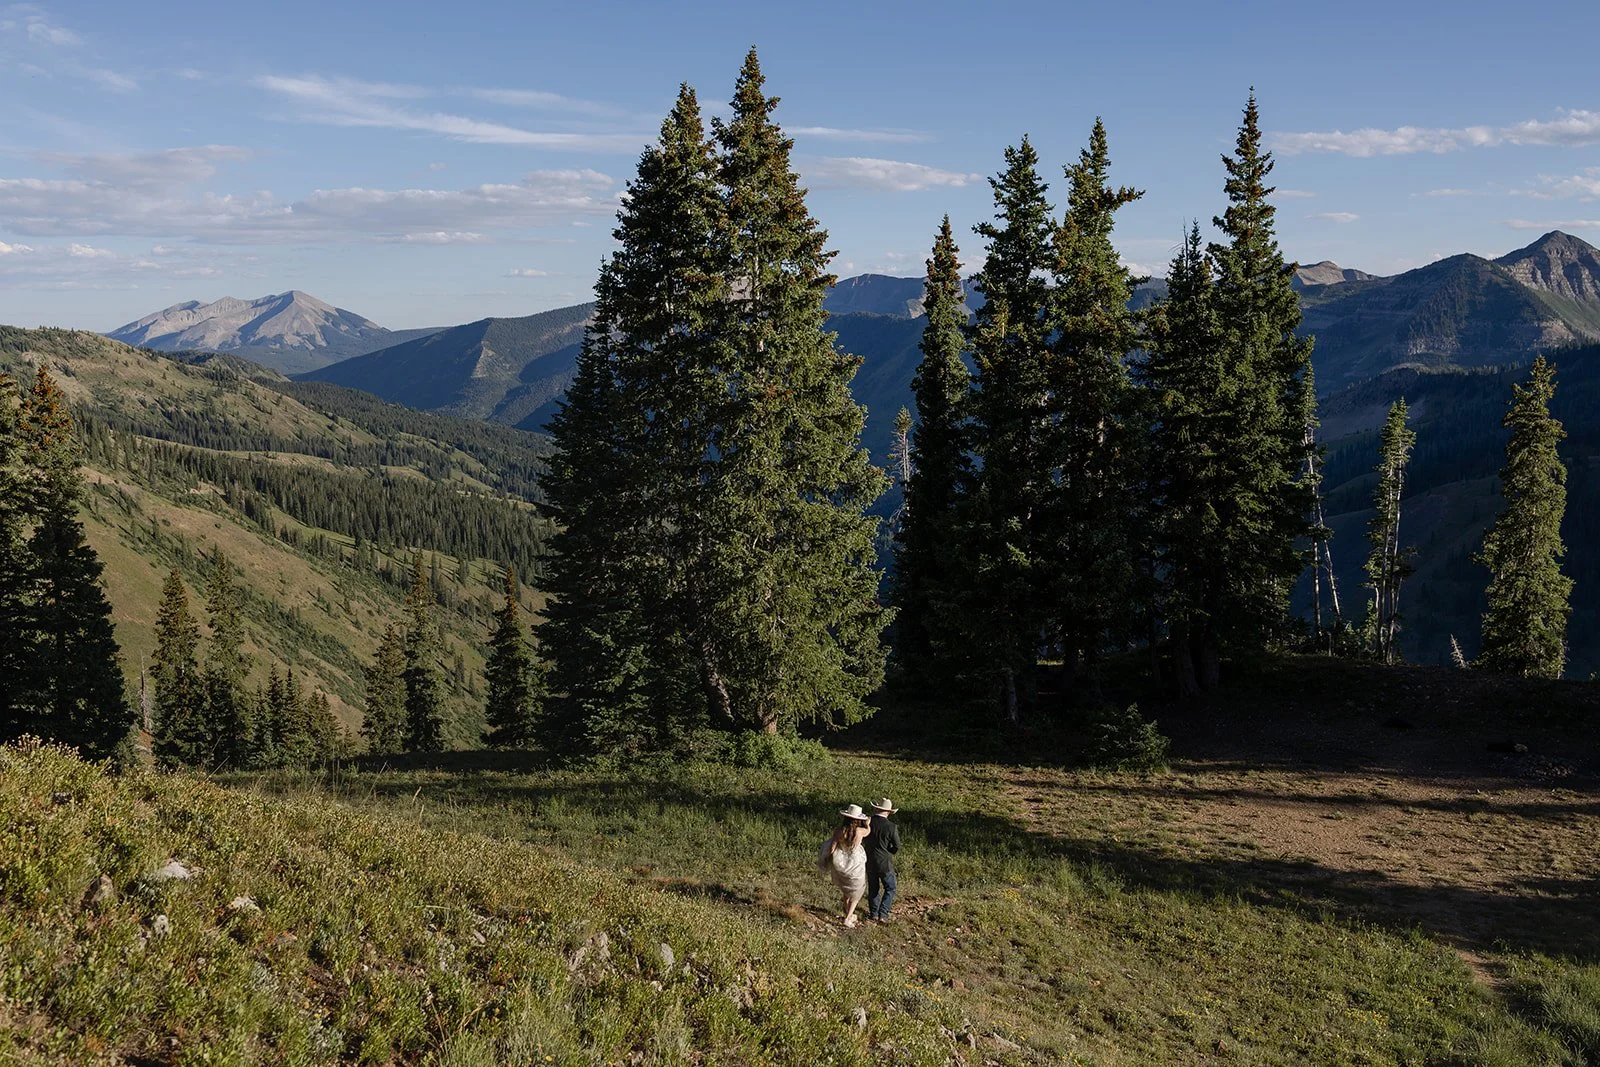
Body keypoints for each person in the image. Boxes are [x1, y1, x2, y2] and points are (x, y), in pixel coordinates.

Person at [819, 803, 872, 927]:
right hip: (855, 862)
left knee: (845, 888)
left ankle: (848, 913)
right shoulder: (860, 831)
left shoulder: (839, 831)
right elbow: (868, 831)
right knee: (857, 890)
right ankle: (848, 917)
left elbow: (832, 848)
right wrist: (867, 824)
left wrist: (826, 859)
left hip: (841, 861)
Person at [865, 797, 901, 922]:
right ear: (888, 812)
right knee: (890, 888)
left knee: (873, 888)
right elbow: (897, 846)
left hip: (869, 859)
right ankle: (883, 914)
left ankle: (874, 913)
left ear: (876, 808)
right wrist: (889, 851)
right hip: (884, 861)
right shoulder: (891, 827)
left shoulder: (868, 822)